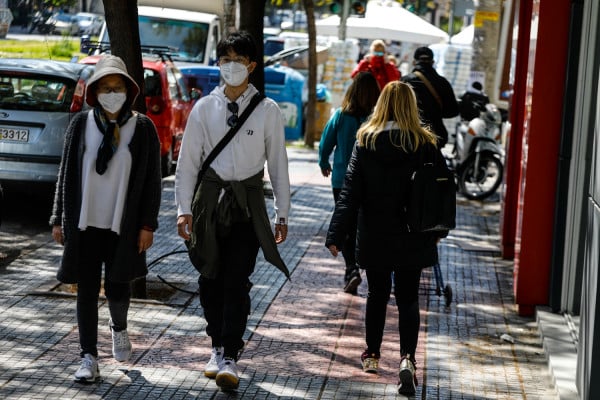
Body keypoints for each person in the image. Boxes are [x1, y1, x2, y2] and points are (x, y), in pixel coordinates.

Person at [174, 31, 290, 392]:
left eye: (238, 61)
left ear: (252, 66)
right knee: (210, 278)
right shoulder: (204, 109)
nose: (231, 67)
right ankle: (215, 345)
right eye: (225, 60)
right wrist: (182, 210)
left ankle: (230, 355)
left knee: (237, 279)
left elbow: (279, 166)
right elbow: (187, 164)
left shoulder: (268, 111)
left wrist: (281, 214)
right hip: (208, 205)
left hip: (247, 207)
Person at [325, 81, 449, 396]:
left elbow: (350, 193)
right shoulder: (425, 143)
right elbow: (441, 189)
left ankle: (373, 353)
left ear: (381, 105)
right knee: (408, 297)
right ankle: (407, 359)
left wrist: (336, 233)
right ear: (411, 107)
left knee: (377, 294)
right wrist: (439, 231)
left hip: (375, 233)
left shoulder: (365, 142)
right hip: (414, 234)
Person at [49, 54, 162, 383]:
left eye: (118, 87)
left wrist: (147, 225)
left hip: (122, 227)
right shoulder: (80, 125)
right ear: (94, 92)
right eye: (105, 87)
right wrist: (58, 218)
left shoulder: (141, 127)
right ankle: (88, 356)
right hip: (84, 223)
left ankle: (119, 327)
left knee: (117, 287)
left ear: (129, 90)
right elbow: (65, 173)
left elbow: (153, 182)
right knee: (85, 290)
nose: (112, 92)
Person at [318, 71, 380, 294]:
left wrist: (323, 161)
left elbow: (326, 141)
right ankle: (364, 267)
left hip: (341, 180)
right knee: (364, 225)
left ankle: (351, 268)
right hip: (370, 182)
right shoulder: (376, 119)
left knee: (345, 225)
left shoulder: (341, 115)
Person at [401, 46, 459, 148]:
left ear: (414, 62)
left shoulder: (405, 81)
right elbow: (452, 111)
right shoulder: (443, 82)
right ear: (432, 62)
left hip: (410, 135)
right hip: (435, 135)